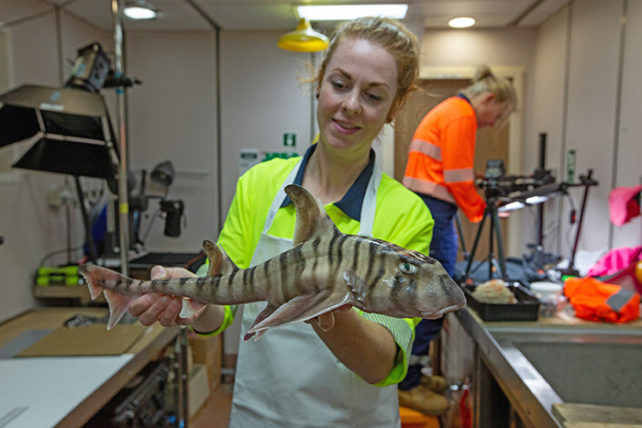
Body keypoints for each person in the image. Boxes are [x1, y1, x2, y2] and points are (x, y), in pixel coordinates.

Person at [128, 17, 436, 427]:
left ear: (395, 107)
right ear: (318, 82)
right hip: (262, 416)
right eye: (340, 84)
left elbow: (380, 363)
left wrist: (317, 294)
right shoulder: (260, 185)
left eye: (374, 95)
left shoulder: (406, 212)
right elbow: (219, 308)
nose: (350, 105)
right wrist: (187, 302)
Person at [398, 65, 517, 414]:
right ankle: (406, 384)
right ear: (490, 98)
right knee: (435, 295)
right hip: (435, 207)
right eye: (498, 114)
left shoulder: (451, 110)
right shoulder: (461, 115)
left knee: (427, 292)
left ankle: (412, 373)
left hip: (429, 205)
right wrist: (483, 210)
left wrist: (473, 186)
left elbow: (451, 170)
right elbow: (457, 178)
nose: (494, 123)